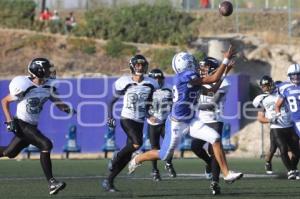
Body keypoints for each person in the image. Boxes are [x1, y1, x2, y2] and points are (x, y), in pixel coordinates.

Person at [128, 46, 243, 186]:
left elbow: (212, 90)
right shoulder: (186, 77)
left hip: (191, 120)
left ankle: (226, 174)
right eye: (192, 62)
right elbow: (213, 78)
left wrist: (225, 72)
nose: (196, 65)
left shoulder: (191, 79)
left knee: (215, 138)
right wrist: (225, 60)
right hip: (176, 123)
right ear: (186, 64)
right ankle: (138, 159)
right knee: (164, 155)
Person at [1, 58, 76, 195]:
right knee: (46, 145)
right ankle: (52, 183)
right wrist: (9, 120)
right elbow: (5, 101)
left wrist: (66, 108)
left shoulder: (48, 85)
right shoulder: (24, 84)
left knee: (9, 153)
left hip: (31, 126)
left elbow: (55, 100)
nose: (50, 72)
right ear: (39, 71)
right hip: (21, 123)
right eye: (47, 69)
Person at [102, 55, 159, 192]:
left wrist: (148, 115)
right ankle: (116, 156)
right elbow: (110, 101)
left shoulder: (151, 83)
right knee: (137, 144)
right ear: (132, 66)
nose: (140, 67)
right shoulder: (125, 81)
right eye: (137, 65)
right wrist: (110, 116)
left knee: (128, 154)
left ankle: (108, 180)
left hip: (139, 121)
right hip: (127, 118)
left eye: (142, 64)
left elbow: (147, 104)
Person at [190, 56, 233, 195]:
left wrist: (192, 105)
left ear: (213, 68)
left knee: (214, 152)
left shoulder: (223, 82)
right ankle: (209, 163)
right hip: (201, 121)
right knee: (195, 147)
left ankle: (215, 183)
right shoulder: (200, 81)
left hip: (214, 120)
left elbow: (211, 103)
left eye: (205, 67)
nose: (202, 69)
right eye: (201, 67)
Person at [253, 75, 300, 179]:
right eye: (264, 86)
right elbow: (260, 118)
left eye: (268, 84)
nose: (266, 87)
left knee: (296, 151)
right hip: (276, 127)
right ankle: (290, 171)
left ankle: (293, 169)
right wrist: (270, 120)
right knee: (281, 149)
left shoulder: (281, 91)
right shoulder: (260, 99)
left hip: (290, 125)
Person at [147, 68, 176, 181]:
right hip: (153, 123)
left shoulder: (169, 88)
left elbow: (175, 104)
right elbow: (142, 106)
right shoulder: (147, 89)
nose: (158, 80)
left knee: (170, 144)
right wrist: (149, 116)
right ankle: (155, 170)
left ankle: (168, 163)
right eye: (155, 78)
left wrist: (173, 116)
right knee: (154, 147)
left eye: (159, 78)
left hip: (165, 121)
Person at [276, 64, 300, 177]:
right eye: (293, 75)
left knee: (296, 149)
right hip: (293, 121)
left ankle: (292, 169)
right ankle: (291, 169)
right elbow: (278, 104)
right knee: (293, 148)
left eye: (298, 75)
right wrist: (278, 113)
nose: (296, 77)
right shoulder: (284, 87)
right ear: (289, 76)